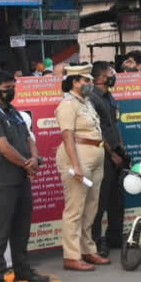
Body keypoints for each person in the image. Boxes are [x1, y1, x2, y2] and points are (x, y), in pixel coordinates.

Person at [0, 70, 49, 282]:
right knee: (0, 232)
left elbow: (29, 138)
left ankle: (23, 270)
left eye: (13, 87)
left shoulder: (15, 113)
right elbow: (3, 147)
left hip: (21, 179)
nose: (11, 91)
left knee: (21, 229)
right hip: (2, 182)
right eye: (6, 88)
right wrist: (27, 164)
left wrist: (35, 158)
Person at [55, 64, 109, 270]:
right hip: (77, 155)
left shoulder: (86, 102)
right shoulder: (68, 104)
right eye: (85, 80)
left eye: (89, 80)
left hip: (95, 155)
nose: (90, 83)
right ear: (75, 82)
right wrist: (75, 165)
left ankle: (88, 250)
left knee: (91, 207)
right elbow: (67, 135)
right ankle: (71, 255)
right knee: (75, 208)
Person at [89, 61, 126, 256]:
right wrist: (111, 153)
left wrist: (120, 148)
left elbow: (114, 125)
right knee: (100, 200)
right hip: (103, 155)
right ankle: (96, 241)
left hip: (115, 153)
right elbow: (97, 131)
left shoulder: (109, 97)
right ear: (101, 77)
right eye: (111, 73)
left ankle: (115, 237)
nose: (114, 76)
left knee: (117, 199)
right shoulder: (92, 99)